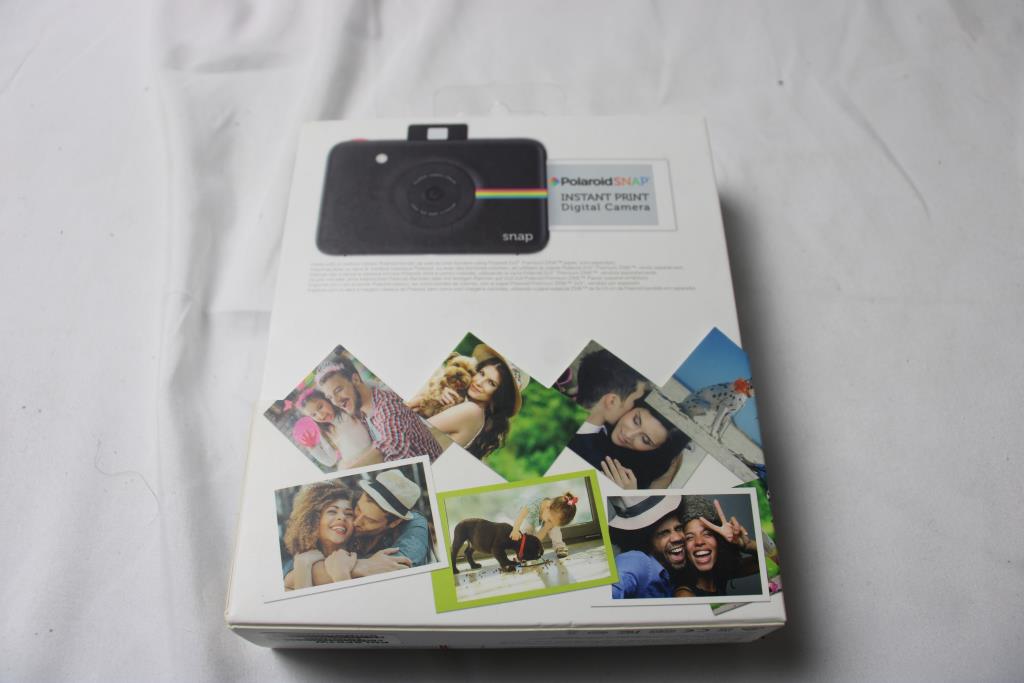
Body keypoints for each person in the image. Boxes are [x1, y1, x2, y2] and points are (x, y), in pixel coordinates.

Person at [281, 479, 413, 589]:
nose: (342, 517)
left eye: (348, 514)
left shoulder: (374, 561)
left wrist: (348, 571)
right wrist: (302, 564)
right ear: (313, 520)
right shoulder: (293, 563)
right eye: (332, 511)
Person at [316, 357, 443, 467]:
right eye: (330, 397)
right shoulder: (361, 414)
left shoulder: (387, 404)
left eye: (338, 390)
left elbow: (393, 449)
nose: (336, 401)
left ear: (355, 380)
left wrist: (349, 470)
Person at [413, 344, 525, 460]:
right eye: (481, 373)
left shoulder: (472, 410)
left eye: (491, 383)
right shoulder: (469, 408)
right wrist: (437, 394)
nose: (479, 382)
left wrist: (425, 398)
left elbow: (414, 431)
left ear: (499, 396)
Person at [568, 392, 690, 489]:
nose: (628, 434)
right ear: (634, 406)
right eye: (636, 421)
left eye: (645, 440)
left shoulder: (637, 476)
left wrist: (628, 495)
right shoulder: (599, 407)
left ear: (655, 450)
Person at [673, 497, 759, 598]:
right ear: (683, 547)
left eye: (707, 534)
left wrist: (747, 545)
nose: (699, 542)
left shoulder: (719, 575)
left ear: (718, 541)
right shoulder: (684, 595)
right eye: (689, 537)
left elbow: (771, 560)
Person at [347, 468, 432, 567]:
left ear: (395, 522)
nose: (356, 522)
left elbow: (401, 563)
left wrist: (357, 566)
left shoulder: (416, 523)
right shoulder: (347, 503)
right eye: (358, 509)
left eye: (370, 520)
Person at [608, 495, 686, 599]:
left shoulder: (671, 572)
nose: (677, 538)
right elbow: (607, 593)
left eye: (678, 528)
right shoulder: (636, 560)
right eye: (664, 533)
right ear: (646, 539)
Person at [293, 387, 372, 468]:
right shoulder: (326, 433)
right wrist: (313, 448)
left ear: (327, 399)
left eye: (320, 407)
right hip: (356, 464)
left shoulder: (346, 410)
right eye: (313, 415)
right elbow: (330, 461)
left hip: (372, 452)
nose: (320, 415)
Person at [509, 491, 579, 560]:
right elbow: (520, 517)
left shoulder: (551, 511)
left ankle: (559, 546)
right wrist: (515, 530)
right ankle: (525, 550)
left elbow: (538, 538)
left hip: (543, 516)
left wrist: (546, 528)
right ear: (547, 508)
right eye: (550, 521)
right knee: (528, 531)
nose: (550, 524)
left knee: (554, 528)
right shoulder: (532, 506)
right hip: (530, 517)